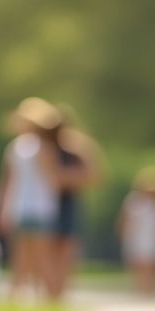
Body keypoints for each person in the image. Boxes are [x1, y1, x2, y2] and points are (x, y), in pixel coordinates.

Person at [0, 98, 72, 302]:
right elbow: (54, 180)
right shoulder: (43, 148)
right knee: (41, 258)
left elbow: (7, 184)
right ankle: (52, 300)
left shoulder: (15, 148)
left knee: (21, 259)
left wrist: (2, 210)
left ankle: (17, 298)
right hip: (41, 209)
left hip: (20, 209)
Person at [48, 109, 103, 299]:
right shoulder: (43, 146)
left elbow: (94, 175)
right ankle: (50, 294)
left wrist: (62, 178)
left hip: (67, 201)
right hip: (44, 203)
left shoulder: (75, 146)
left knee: (65, 250)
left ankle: (58, 295)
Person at [117, 166, 155, 295]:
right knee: (138, 266)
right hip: (137, 238)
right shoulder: (133, 200)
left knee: (154, 267)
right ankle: (140, 291)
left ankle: (152, 292)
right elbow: (125, 219)